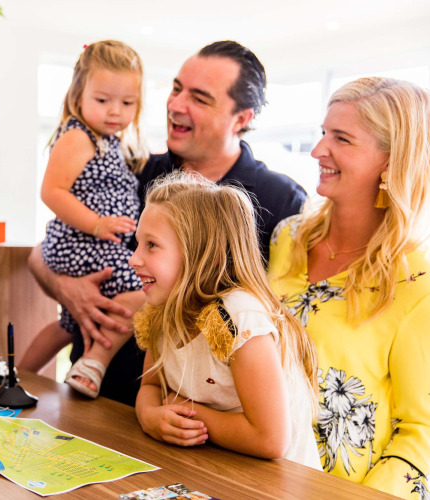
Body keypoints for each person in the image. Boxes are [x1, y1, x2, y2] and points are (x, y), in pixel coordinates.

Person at [28, 41, 306, 405]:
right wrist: (66, 288)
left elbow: (276, 318)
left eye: (199, 98)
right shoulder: (132, 171)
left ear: (242, 118)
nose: (175, 105)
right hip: (96, 400)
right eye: (176, 89)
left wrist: (151, 301)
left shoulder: (280, 201)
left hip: (195, 423)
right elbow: (41, 253)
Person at [268, 77, 430, 497]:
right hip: (248, 474)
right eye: (323, 133)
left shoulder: (418, 283)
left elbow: (422, 434)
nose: (319, 150)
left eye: (342, 138)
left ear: (392, 161)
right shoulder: (287, 238)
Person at [131, 173, 320, 467]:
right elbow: (152, 387)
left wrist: (190, 411)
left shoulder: (235, 316)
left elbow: (270, 439)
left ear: (200, 254)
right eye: (138, 243)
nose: (134, 258)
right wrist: (150, 416)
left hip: (280, 485)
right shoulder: (164, 310)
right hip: (220, 469)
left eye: (151, 245)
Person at [18, 40, 146, 398]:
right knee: (140, 291)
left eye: (127, 103)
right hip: (82, 242)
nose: (114, 112)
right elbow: (52, 191)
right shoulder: (79, 136)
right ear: (79, 93)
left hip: (92, 242)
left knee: (68, 323)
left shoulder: (109, 140)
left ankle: (19, 376)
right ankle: (94, 363)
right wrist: (97, 224)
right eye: (102, 100)